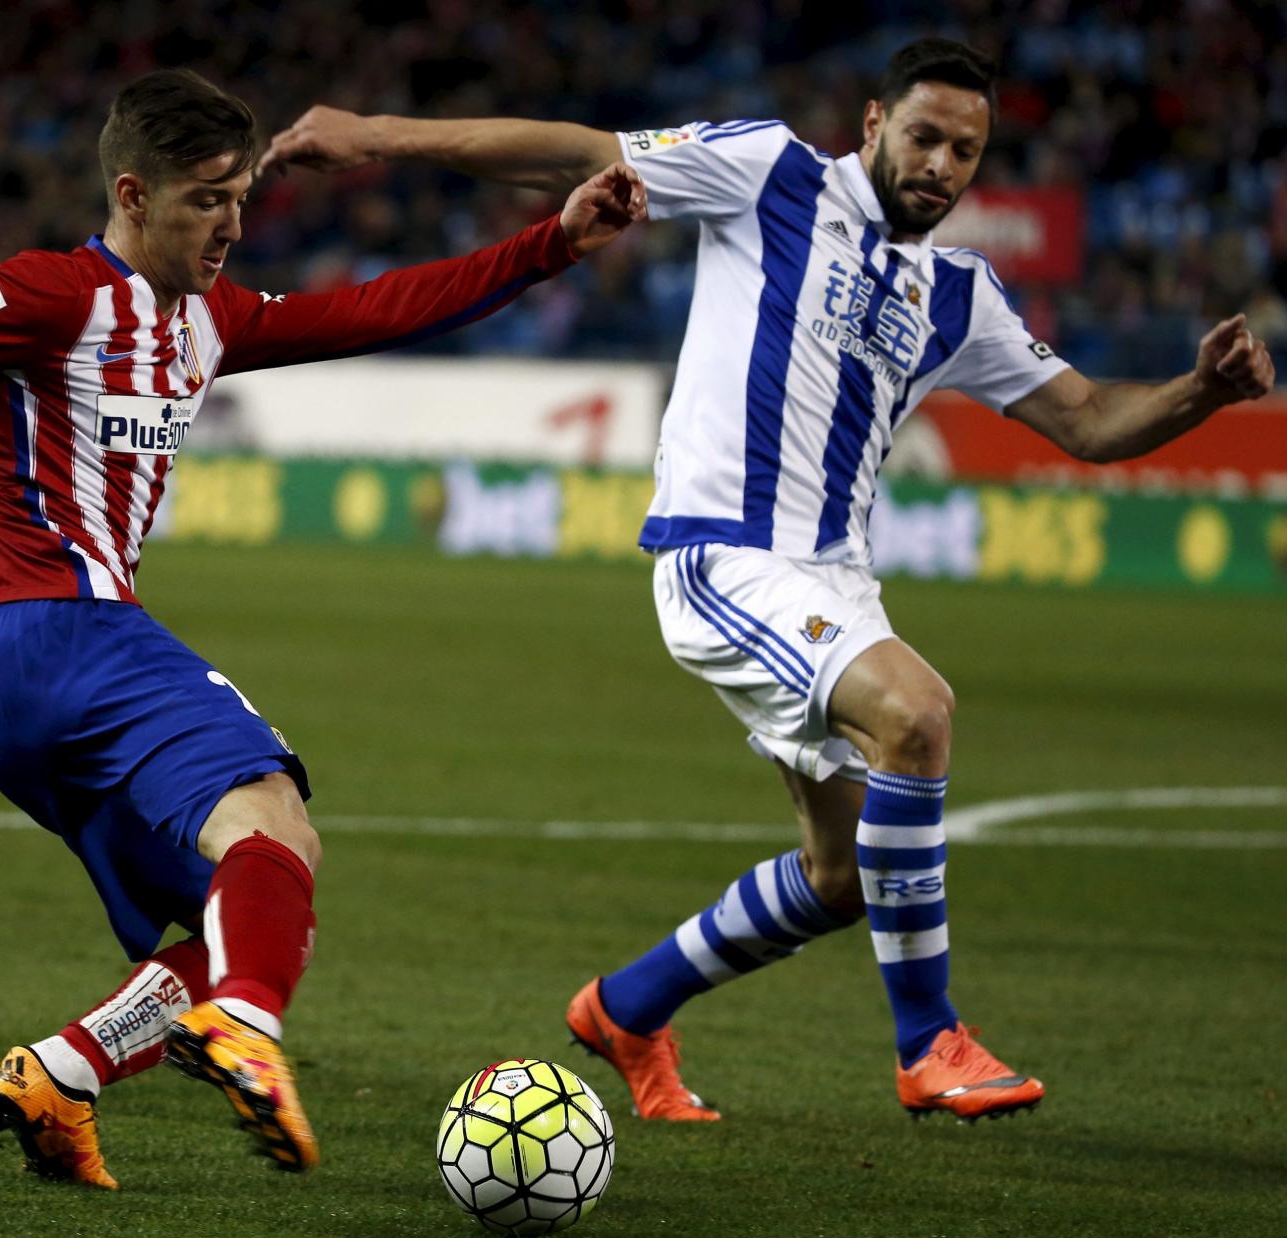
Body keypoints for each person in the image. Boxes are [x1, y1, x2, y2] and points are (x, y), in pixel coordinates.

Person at [0, 68, 644, 1183]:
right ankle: (244, 1025)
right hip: (58, 630)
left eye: (240, 199)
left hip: (21, 688)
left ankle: (65, 1073)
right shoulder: (50, 293)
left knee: (258, 892)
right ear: (132, 194)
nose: (232, 224)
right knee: (268, 816)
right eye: (206, 200)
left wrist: (553, 243)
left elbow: (381, 306)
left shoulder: (211, 317)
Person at [260, 37, 1277, 1123]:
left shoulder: (958, 294)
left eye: (964, 151)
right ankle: (928, 1039)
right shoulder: (771, 171)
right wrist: (371, 137)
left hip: (834, 584)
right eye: (923, 135)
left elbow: (1085, 419)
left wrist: (1198, 393)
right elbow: (575, 153)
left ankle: (626, 1007)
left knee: (840, 880)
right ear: (873, 122)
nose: (939, 164)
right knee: (917, 714)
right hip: (723, 554)